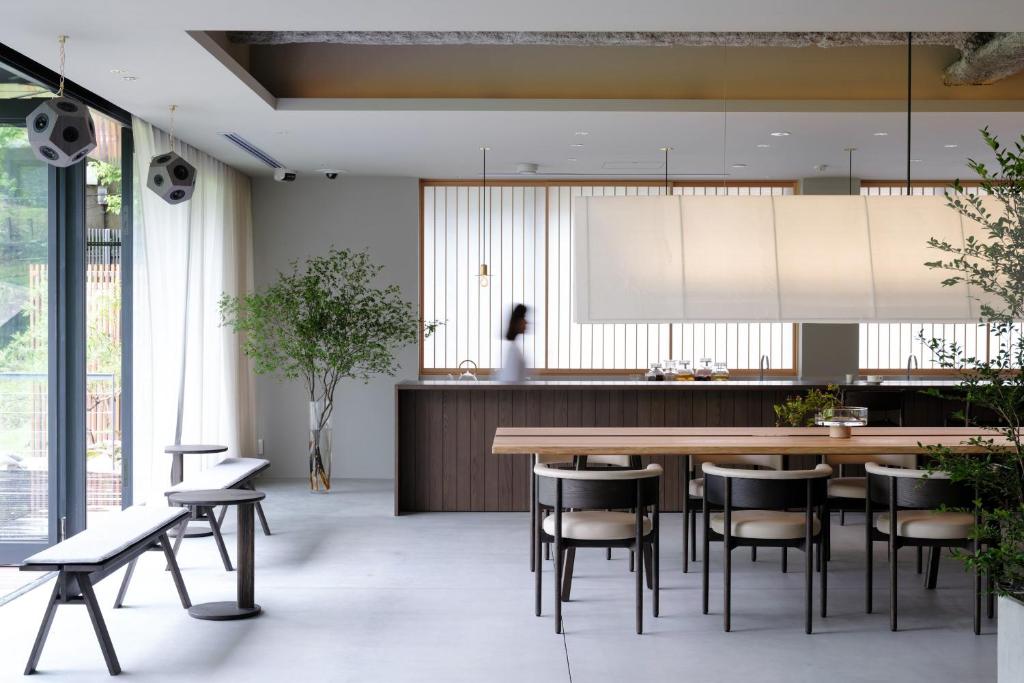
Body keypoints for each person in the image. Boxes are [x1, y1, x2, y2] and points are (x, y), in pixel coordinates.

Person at [496, 304, 528, 383]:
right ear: (517, 322)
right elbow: (510, 382)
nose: (526, 322)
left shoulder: (514, 347)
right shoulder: (512, 349)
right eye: (524, 318)